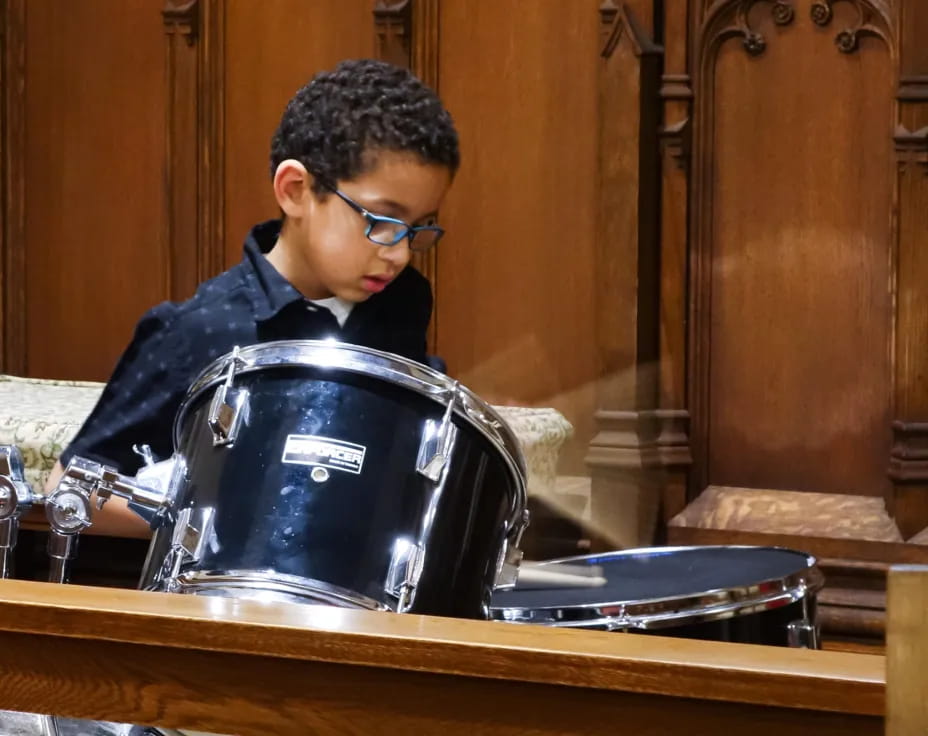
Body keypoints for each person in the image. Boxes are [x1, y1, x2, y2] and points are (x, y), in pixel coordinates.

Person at [44, 58, 460, 536]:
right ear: (296, 190)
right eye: (382, 223)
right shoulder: (200, 329)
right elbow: (69, 489)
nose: (402, 253)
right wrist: (215, 520)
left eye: (419, 227)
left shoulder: (401, 302)